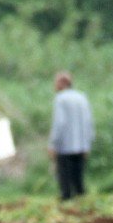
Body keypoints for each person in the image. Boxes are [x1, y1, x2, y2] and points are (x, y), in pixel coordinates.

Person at [47, 71, 94, 200]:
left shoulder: (60, 99)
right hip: (81, 146)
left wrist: (53, 144)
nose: (54, 85)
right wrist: (88, 143)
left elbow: (59, 123)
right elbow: (89, 122)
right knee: (78, 179)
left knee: (65, 183)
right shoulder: (82, 97)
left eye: (56, 82)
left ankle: (67, 205)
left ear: (62, 83)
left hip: (65, 147)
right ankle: (82, 204)